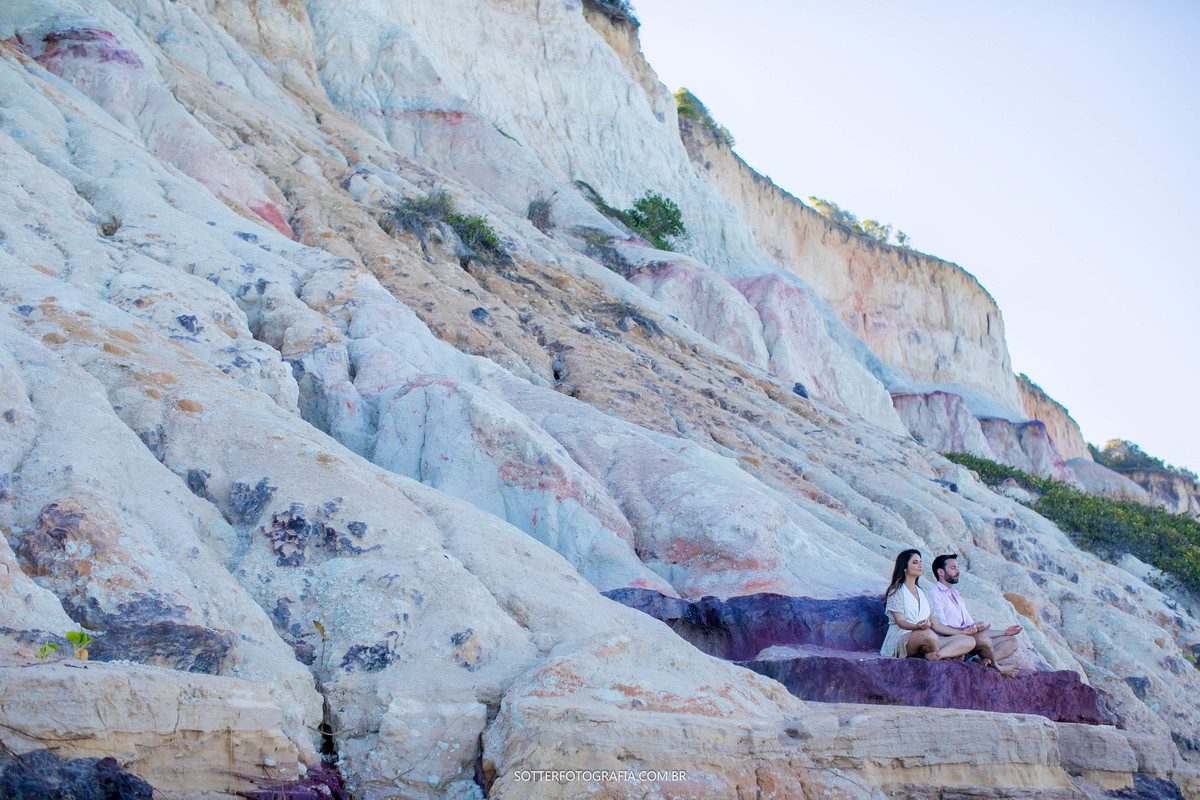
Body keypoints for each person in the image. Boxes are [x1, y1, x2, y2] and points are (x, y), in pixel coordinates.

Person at [930, 553, 1022, 676]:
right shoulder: (935, 594)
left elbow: (972, 628)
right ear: (941, 572)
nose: (958, 571)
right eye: (953, 568)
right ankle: (996, 666)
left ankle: (977, 661)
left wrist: (1004, 632)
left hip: (969, 639)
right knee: (982, 638)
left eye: (957, 567)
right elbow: (941, 628)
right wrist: (967, 630)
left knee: (1011, 641)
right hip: (954, 641)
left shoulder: (956, 594)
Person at [880, 549, 976, 661]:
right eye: (915, 562)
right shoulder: (896, 592)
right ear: (904, 567)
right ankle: (948, 653)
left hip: (929, 638)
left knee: (969, 640)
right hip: (903, 637)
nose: (920, 565)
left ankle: (938, 655)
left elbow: (936, 625)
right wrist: (917, 627)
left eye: (920, 562)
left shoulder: (924, 593)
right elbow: (900, 622)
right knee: (927, 635)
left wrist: (961, 632)